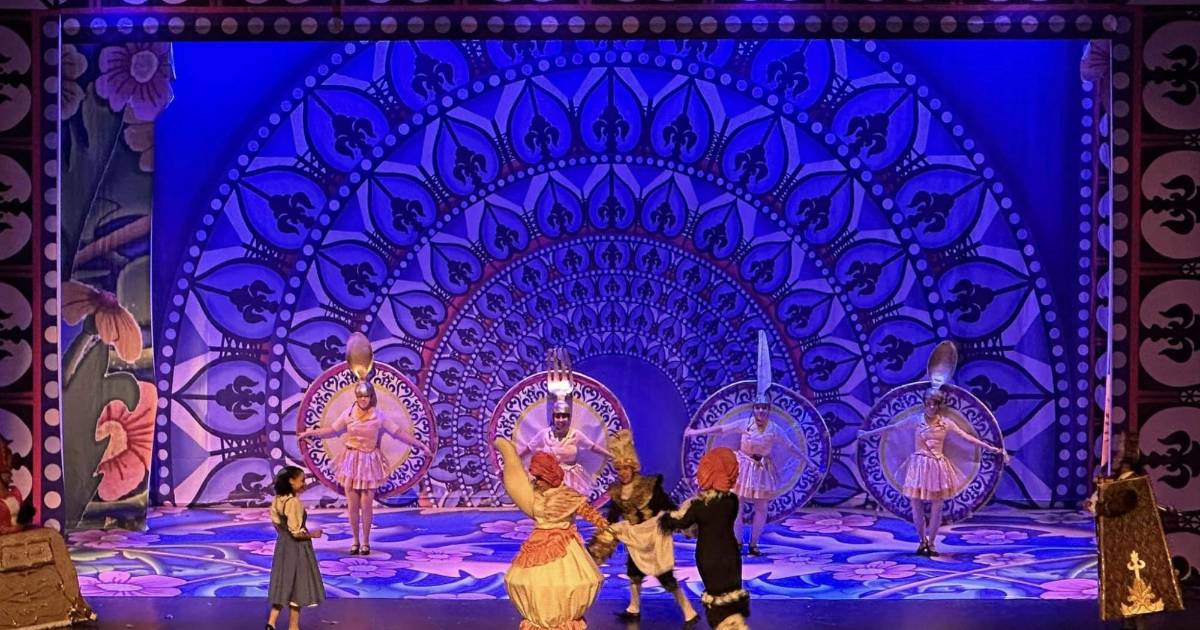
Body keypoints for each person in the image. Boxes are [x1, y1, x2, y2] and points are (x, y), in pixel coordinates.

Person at [856, 388, 1008, 556]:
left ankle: (932, 543)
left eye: (935, 404)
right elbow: (893, 428)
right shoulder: (916, 420)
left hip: (937, 466)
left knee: (937, 506)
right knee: (916, 504)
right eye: (928, 403)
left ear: (939, 405)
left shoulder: (946, 423)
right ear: (924, 404)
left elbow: (966, 437)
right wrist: (868, 434)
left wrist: (990, 448)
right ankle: (922, 541)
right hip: (919, 466)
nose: (931, 407)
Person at [298, 381, 433, 555]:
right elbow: (331, 430)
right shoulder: (348, 413)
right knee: (352, 506)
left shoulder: (378, 415)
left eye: (366, 396)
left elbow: (399, 433)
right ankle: (355, 541)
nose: (363, 400)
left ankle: (366, 542)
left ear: (371, 397)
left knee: (366, 505)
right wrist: (310, 433)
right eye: (360, 396)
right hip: (351, 461)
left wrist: (421, 445)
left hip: (369, 462)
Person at [494, 437, 615, 630]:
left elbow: (587, 511)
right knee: (529, 582)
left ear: (549, 476)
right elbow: (515, 482)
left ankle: (560, 621)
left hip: (563, 545)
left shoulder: (566, 495)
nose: (536, 482)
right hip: (538, 542)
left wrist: (604, 526)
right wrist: (506, 451)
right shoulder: (536, 494)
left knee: (566, 584)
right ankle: (540, 621)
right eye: (534, 477)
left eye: (539, 478)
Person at [684, 395, 807, 555]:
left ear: (769, 410)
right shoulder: (745, 424)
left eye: (764, 407)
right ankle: (737, 542)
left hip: (762, 471)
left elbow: (790, 446)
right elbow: (722, 429)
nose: (761, 411)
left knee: (761, 508)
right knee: (737, 506)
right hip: (742, 468)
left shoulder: (774, 429)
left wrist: (809, 462)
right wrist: (695, 432)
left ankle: (754, 544)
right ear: (754, 409)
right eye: (758, 407)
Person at [600, 430, 698, 626]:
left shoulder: (649, 485)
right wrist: (607, 531)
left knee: (665, 576)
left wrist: (676, 521)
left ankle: (689, 611)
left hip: (653, 536)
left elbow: (667, 505)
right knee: (634, 573)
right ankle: (633, 608)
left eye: (626, 468)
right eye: (619, 469)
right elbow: (613, 515)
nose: (623, 473)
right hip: (635, 538)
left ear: (633, 468)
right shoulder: (617, 491)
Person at [660, 447, 749, 630]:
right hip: (731, 556)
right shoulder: (732, 500)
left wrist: (664, 517)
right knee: (732, 599)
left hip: (709, 558)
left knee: (716, 601)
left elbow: (681, 523)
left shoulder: (700, 505)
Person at [266, 466, 325, 630]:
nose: (304, 484)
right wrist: (313, 535)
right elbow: (297, 533)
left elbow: (276, 523)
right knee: (297, 585)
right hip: (296, 548)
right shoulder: (293, 503)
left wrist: (284, 535)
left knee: (283, 582)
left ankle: (271, 622)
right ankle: (293, 626)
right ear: (291, 481)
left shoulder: (278, 499)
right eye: (302, 481)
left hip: (283, 545)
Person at [517, 400, 612, 496]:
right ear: (553, 418)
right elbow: (529, 448)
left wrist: (610, 455)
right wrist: (514, 459)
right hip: (549, 478)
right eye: (558, 416)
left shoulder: (576, 434)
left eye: (564, 416)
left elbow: (593, 447)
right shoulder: (544, 434)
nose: (561, 420)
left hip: (572, 480)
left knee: (570, 501)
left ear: (569, 418)